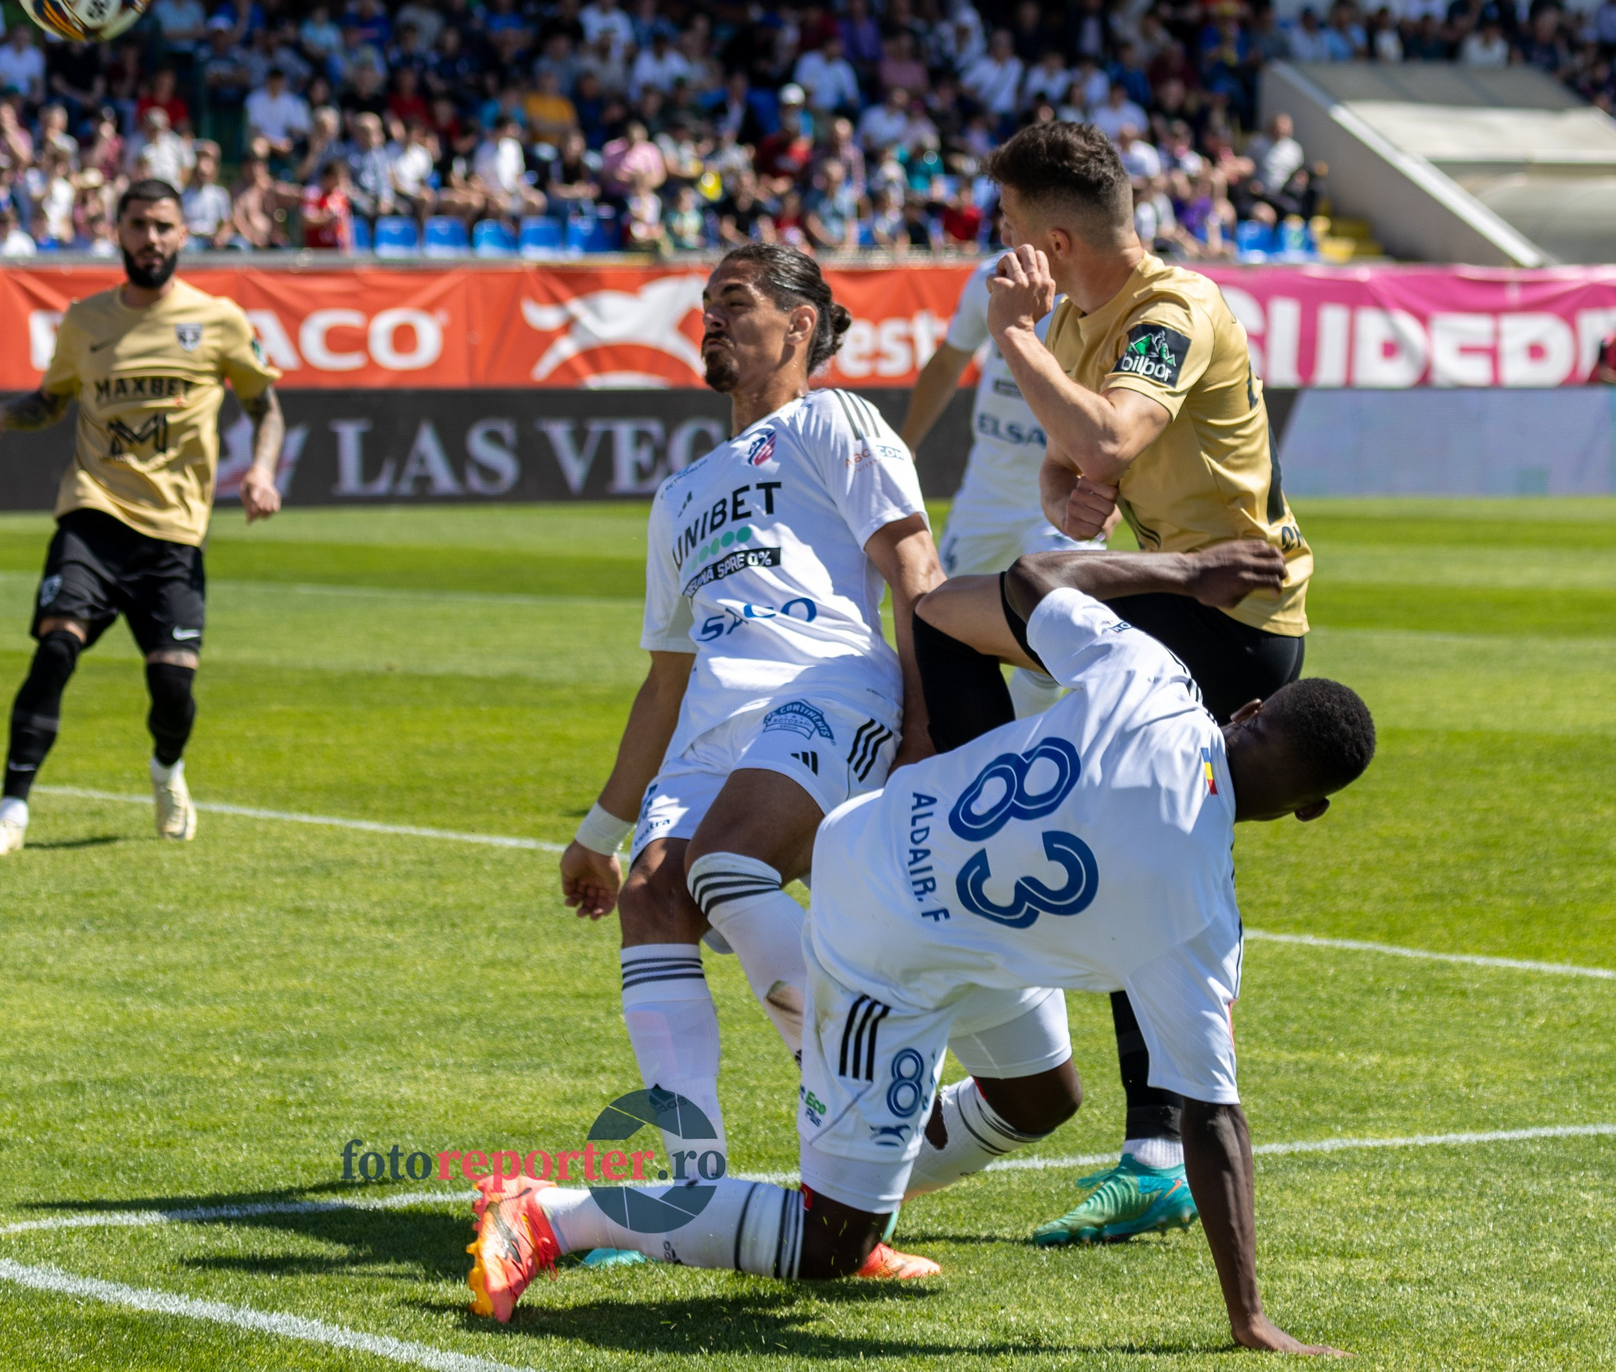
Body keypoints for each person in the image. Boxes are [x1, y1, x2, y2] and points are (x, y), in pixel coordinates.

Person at [474, 541, 1375, 1359]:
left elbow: (1030, 580)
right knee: (832, 1243)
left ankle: (859, 1149)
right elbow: (1212, 1118)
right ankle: (552, 1215)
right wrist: (1247, 1315)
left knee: (1042, 1095)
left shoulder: (1154, 680)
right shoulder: (1199, 918)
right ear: (1309, 809)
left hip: (897, 861)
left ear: (1248, 709)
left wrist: (1180, 573)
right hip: (884, 952)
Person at [914, 119, 1314, 1247]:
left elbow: (1113, 423)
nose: (994, 242)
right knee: (949, 617)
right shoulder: (1088, 318)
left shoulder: (1167, 312)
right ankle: (1150, 1147)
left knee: (1146, 857)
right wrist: (1063, 487)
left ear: (1050, 236)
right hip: (1166, 596)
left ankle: (1154, 1150)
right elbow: (1075, 457)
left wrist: (1014, 342)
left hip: (1233, 620)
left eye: (1002, 224)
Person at [556, 245, 942, 1226]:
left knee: (724, 865)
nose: (710, 320)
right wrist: (597, 833)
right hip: (709, 729)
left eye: (734, 303)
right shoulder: (680, 493)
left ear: (800, 323)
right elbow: (664, 677)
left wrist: (926, 728)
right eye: (705, 307)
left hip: (829, 691)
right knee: (652, 899)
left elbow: (914, 572)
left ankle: (859, 1092)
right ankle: (693, 1187)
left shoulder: (832, 420)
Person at [0, 179, 286, 852]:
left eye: (163, 225)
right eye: (138, 225)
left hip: (173, 531)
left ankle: (166, 769)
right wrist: (4, 415)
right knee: (55, 648)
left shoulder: (220, 320)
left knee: (171, 687)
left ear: (182, 234)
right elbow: (51, 401)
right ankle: (11, 813)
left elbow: (265, 406)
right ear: (119, 232)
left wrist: (260, 470)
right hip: (93, 512)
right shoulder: (85, 320)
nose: (151, 238)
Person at [899, 233, 1101, 718]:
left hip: (1061, 498)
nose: (1009, 231)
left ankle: (1013, 750)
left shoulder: (1100, 296)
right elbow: (949, 360)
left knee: (1063, 638)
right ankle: (946, 751)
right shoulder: (991, 276)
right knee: (932, 622)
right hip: (984, 495)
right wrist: (902, 447)